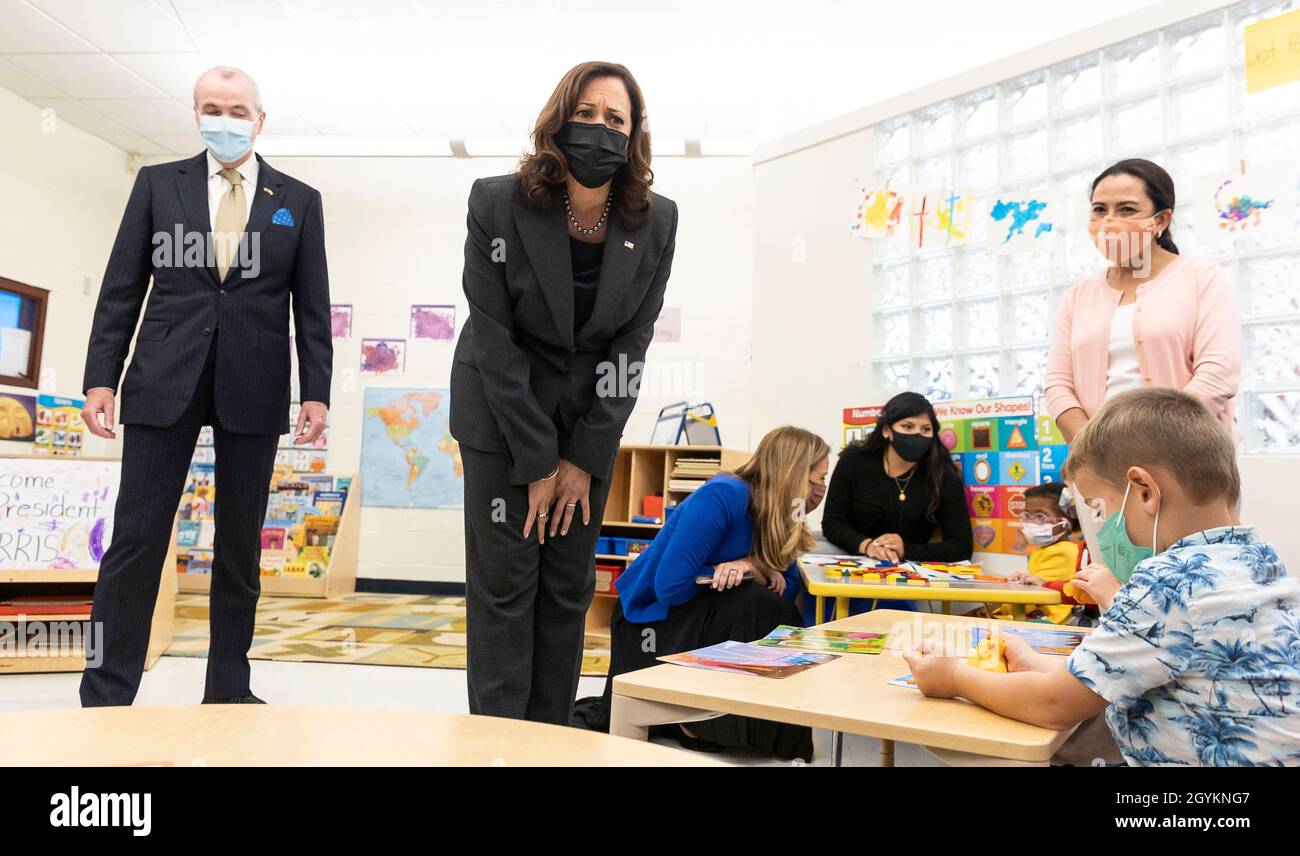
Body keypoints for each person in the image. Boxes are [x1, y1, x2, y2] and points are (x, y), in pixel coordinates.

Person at [79, 66, 332, 706]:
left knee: (240, 546)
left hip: (255, 383)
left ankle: (228, 688)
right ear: (196, 114)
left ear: (260, 118)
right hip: (163, 379)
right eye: (213, 108)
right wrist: (99, 379)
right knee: (136, 540)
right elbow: (121, 287)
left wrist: (317, 392)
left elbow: (313, 306)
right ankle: (107, 690)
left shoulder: (298, 200)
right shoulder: (159, 185)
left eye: (239, 109)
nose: (226, 118)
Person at [450, 62, 677, 724]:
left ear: (634, 137)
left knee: (568, 590)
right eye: (586, 114)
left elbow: (632, 344)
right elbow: (493, 338)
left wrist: (580, 458)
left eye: (616, 119)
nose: (599, 129)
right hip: (500, 420)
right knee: (505, 586)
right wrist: (538, 461)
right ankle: (498, 744)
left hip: (589, 427)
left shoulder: (657, 221)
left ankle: (549, 743)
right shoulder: (496, 201)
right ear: (559, 120)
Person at [905, 388, 1300, 766]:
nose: (1102, 525)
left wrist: (953, 677)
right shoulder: (1257, 560)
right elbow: (1119, 671)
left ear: (1144, 491)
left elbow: (1054, 705)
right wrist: (1032, 661)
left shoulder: (1167, 582)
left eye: (1099, 507)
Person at [577, 426, 828, 760]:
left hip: (698, 611)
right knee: (756, 603)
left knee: (775, 609)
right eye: (815, 481)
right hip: (653, 619)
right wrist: (731, 572)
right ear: (793, 475)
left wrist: (752, 566)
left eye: (824, 481)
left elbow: (788, 586)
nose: (820, 491)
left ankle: (758, 728)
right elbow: (670, 585)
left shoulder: (780, 513)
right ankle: (698, 723)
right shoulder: (725, 495)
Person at [1045, 158, 1241, 443]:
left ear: (1161, 220)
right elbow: (1058, 385)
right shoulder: (1077, 297)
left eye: (1126, 209)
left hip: (1185, 455)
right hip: (1099, 463)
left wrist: (1154, 445)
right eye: (1099, 210)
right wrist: (1092, 451)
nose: (1109, 223)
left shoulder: (1202, 278)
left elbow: (1218, 373)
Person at [821, 392, 973, 565]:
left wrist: (905, 550)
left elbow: (961, 547)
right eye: (908, 427)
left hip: (911, 576)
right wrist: (867, 545)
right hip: (855, 564)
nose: (917, 435)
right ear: (887, 430)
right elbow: (832, 523)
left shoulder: (942, 474)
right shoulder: (855, 460)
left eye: (926, 429)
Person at [1000, 481, 1082, 624]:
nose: (1031, 522)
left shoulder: (1063, 552)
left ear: (1065, 521)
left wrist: (1004, 606)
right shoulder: (1043, 550)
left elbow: (1033, 596)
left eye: (1039, 516)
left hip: (1052, 622)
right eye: (1027, 515)